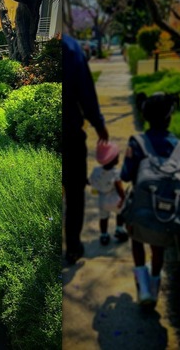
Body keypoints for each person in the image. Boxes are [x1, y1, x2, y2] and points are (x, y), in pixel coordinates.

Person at [120, 92, 180, 307]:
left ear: (145, 115)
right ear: (170, 116)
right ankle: (155, 282)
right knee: (157, 249)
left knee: (137, 241)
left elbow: (125, 175)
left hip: (141, 209)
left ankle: (144, 289)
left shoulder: (137, 142)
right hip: (166, 212)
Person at [62, 34, 109, 265]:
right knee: (74, 193)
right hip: (71, 135)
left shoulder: (71, 48)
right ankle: (72, 246)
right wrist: (99, 124)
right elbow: (86, 92)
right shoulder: (71, 48)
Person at [89, 141, 128, 246]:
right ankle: (119, 229)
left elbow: (91, 181)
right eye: (117, 157)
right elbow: (119, 188)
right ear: (113, 160)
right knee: (120, 213)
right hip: (115, 200)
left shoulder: (96, 171)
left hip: (102, 201)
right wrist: (124, 197)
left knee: (103, 218)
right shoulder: (116, 173)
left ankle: (104, 235)